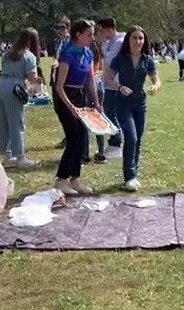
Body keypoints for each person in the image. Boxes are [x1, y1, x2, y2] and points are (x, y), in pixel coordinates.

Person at [105, 26, 161, 191]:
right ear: (128, 40)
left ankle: (133, 175)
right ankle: (129, 176)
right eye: (135, 38)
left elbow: (157, 80)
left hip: (140, 103)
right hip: (123, 103)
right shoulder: (120, 58)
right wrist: (119, 86)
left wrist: (155, 87)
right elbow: (107, 77)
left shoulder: (147, 59)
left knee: (138, 140)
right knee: (131, 138)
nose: (138, 41)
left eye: (141, 38)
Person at [53, 19, 100, 196]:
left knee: (81, 136)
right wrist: (70, 106)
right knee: (73, 137)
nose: (92, 38)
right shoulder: (68, 54)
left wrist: (96, 102)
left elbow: (89, 80)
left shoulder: (87, 53)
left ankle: (75, 177)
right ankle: (61, 179)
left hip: (79, 97)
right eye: (89, 35)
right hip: (64, 96)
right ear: (78, 35)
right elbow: (59, 85)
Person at [0, 28, 41, 168]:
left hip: (0, 86)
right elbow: (32, 78)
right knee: (17, 123)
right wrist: (38, 81)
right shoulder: (29, 56)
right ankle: (20, 157)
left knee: (3, 122)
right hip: (14, 88)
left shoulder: (7, 54)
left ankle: (7, 155)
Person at [97, 17, 124, 160]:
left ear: (108, 29)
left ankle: (116, 142)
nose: (100, 33)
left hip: (117, 82)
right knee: (108, 111)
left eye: (101, 30)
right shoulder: (108, 42)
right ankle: (114, 141)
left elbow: (111, 59)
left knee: (110, 112)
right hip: (107, 82)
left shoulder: (120, 42)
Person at [50, 17, 71, 148]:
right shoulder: (59, 42)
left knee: (65, 110)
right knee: (58, 109)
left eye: (62, 27)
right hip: (55, 79)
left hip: (64, 81)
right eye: (57, 27)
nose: (59, 30)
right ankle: (67, 135)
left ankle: (70, 137)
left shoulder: (70, 42)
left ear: (68, 28)